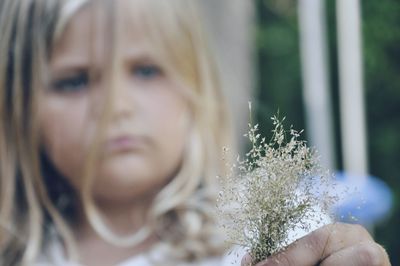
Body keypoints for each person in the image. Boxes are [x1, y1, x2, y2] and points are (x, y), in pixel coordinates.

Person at [0, 0, 391, 265]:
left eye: (146, 70)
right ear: (18, 108)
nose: (115, 108)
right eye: (74, 81)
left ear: (196, 87)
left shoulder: (267, 230)